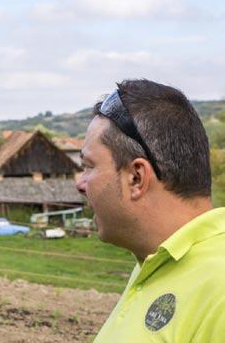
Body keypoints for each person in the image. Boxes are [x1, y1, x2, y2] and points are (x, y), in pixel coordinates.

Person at [76, 79, 225, 341]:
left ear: (136, 177)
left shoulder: (219, 288)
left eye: (89, 166)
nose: (80, 183)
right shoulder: (153, 260)